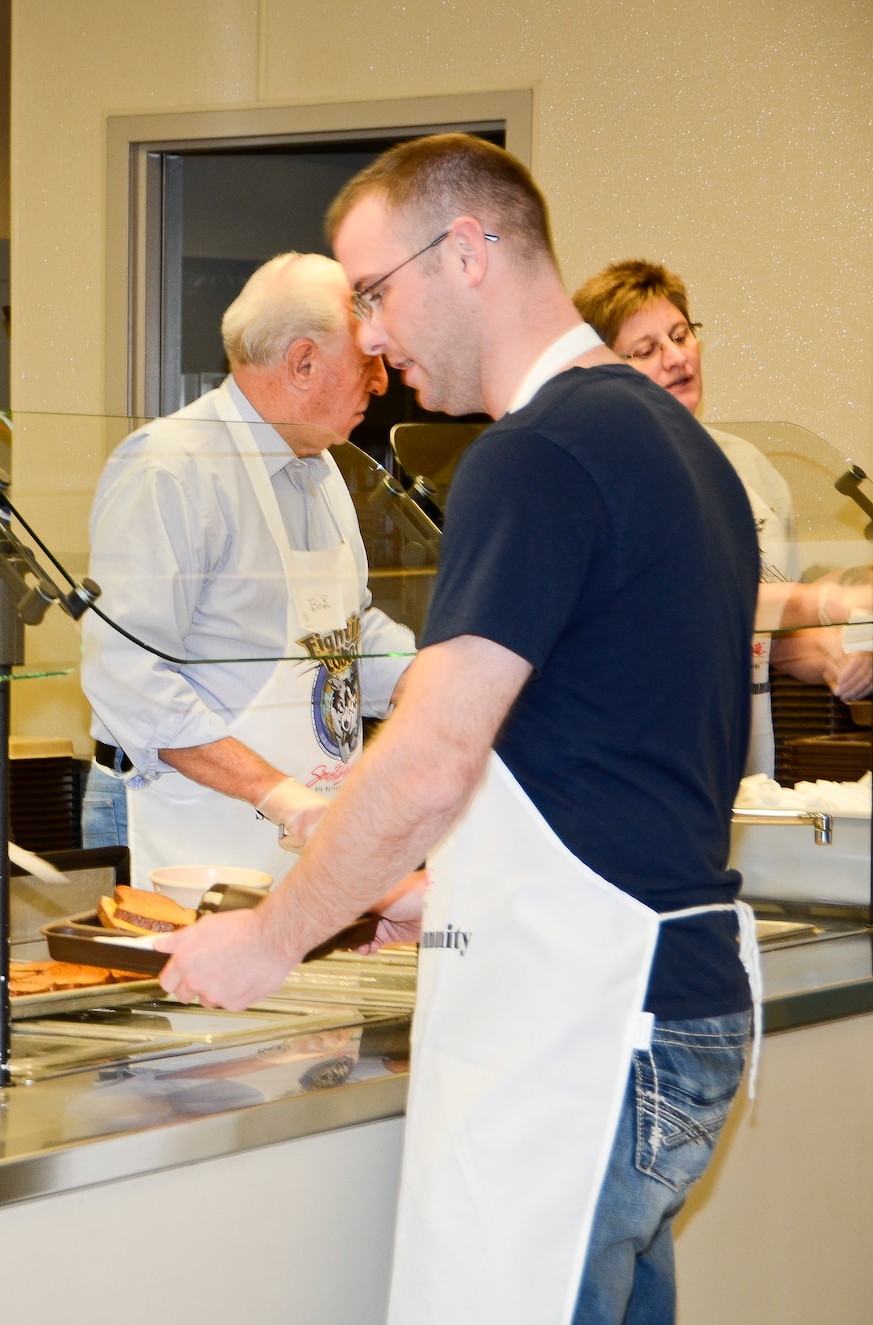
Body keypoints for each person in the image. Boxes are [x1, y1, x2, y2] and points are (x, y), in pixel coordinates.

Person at [157, 135, 761, 1325]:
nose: (371, 338)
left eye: (375, 293)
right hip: (671, 995)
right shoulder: (679, 448)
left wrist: (271, 936)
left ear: (469, 250)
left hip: (588, 1023)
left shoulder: (532, 454)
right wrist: (455, 887)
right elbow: (616, 749)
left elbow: (434, 755)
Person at [79, 252, 412, 884]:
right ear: (303, 361)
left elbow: (341, 630)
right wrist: (279, 795)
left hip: (300, 818)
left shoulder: (322, 467)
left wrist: (421, 684)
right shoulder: (170, 468)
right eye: (369, 358)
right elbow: (129, 677)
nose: (381, 381)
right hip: (186, 817)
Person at [573, 259, 871, 774]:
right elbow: (700, 600)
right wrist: (832, 599)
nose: (675, 358)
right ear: (603, 370)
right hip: (644, 758)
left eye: (680, 335)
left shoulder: (751, 469)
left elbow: (765, 635)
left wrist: (838, 653)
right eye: (645, 350)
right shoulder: (598, 481)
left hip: (745, 760)